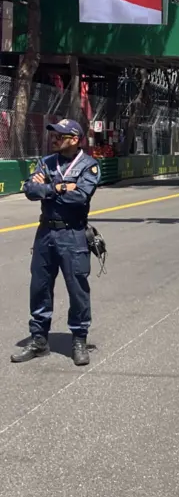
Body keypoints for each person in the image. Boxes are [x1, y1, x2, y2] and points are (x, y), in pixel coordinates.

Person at [11, 119, 101, 366]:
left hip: (73, 234)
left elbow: (80, 198)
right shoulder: (46, 162)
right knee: (39, 287)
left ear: (74, 139)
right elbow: (30, 190)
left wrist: (48, 188)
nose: (53, 138)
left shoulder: (89, 165)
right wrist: (61, 187)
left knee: (77, 289)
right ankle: (39, 339)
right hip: (45, 233)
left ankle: (79, 339)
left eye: (59, 135)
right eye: (53, 134)